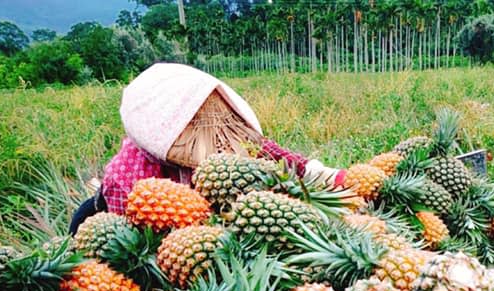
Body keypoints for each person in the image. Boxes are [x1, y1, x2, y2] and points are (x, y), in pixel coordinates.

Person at [70, 63, 341, 234]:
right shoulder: (127, 175)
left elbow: (284, 159)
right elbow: (131, 243)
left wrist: (334, 177)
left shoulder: (234, 140)